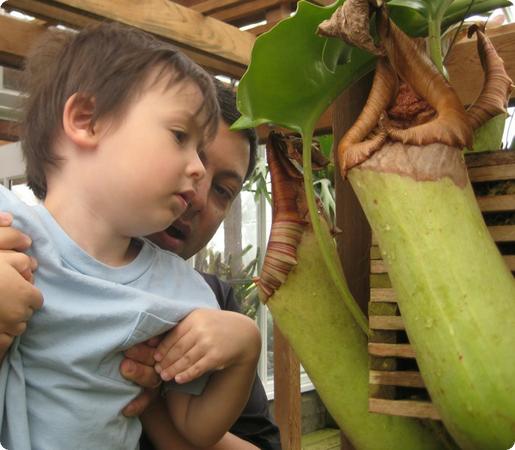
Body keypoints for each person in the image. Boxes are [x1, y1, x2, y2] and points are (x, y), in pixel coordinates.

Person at [0, 23, 261, 450]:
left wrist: (247, 350)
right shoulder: (11, 231)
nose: (196, 171)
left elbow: (196, 431)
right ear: (87, 120)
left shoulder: (180, 292)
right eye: (180, 137)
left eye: (224, 189)